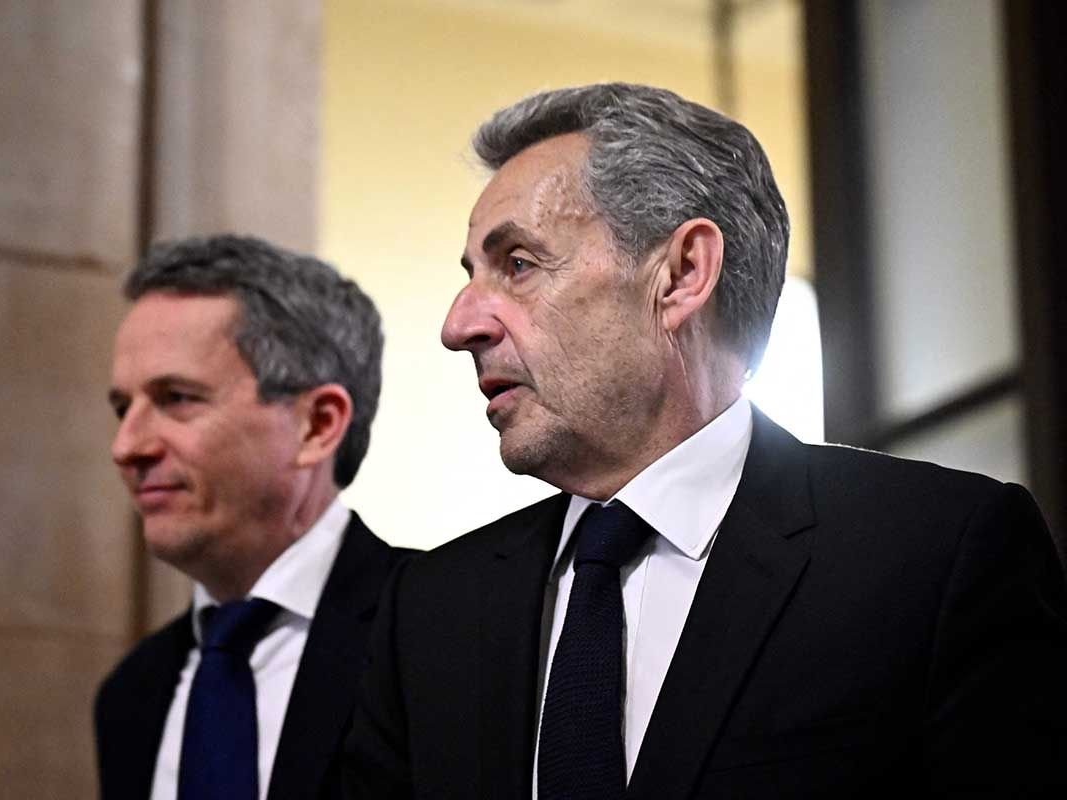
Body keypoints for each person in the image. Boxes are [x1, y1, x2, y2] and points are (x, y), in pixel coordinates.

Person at [341, 83, 1067, 798]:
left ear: (683, 273)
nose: (458, 326)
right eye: (472, 275)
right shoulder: (429, 612)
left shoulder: (934, 556)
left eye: (520, 264)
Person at [95, 234, 408, 800]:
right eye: (123, 408)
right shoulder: (131, 693)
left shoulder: (442, 632)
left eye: (176, 398)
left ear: (317, 425)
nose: (126, 446)